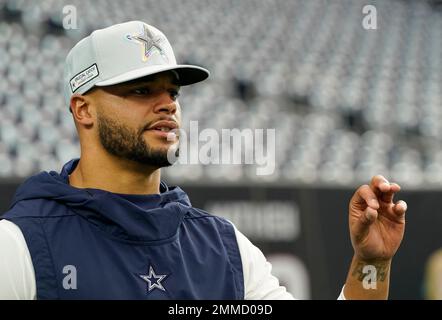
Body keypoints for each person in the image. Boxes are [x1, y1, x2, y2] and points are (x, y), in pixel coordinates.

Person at [0, 21, 407, 300]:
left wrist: (370, 264)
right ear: (83, 110)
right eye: (141, 91)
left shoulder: (225, 246)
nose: (167, 106)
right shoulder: (18, 246)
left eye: (173, 93)